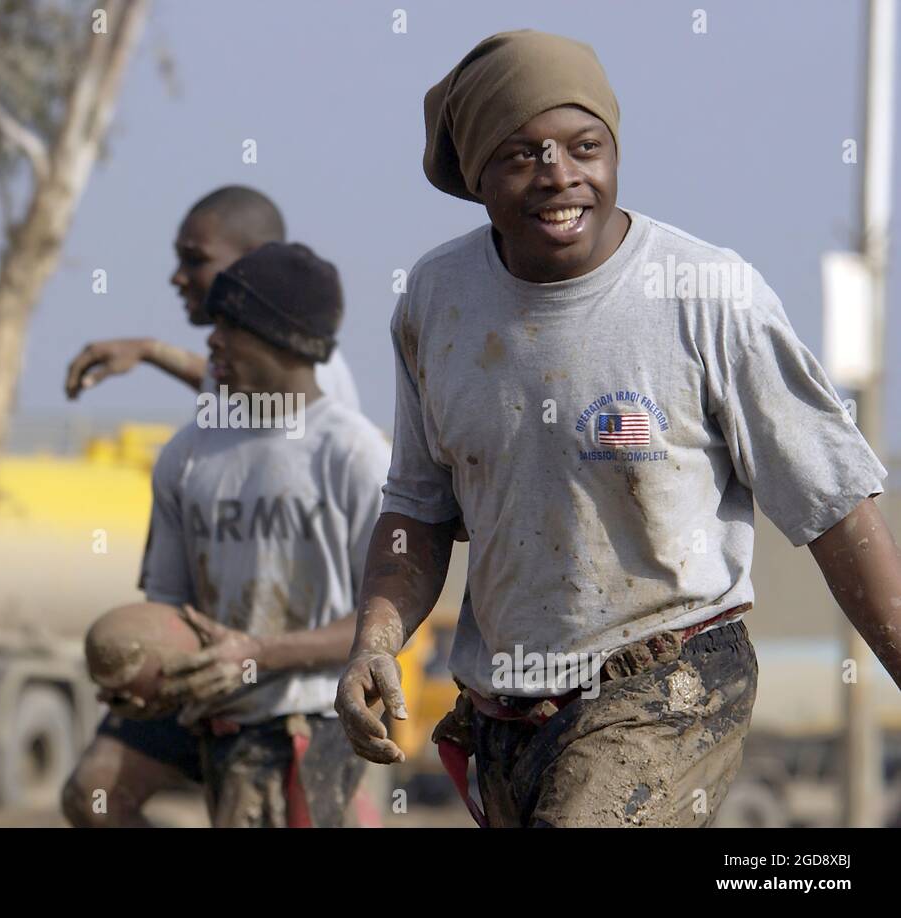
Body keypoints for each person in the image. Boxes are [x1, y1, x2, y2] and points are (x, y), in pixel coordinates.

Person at [335, 29, 901, 827]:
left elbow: (837, 507)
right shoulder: (437, 300)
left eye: (584, 146)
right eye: (521, 154)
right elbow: (418, 510)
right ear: (477, 176)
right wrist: (375, 641)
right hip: (504, 704)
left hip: (668, 676)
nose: (558, 174)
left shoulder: (708, 295)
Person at [66, 243, 388, 827]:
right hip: (219, 722)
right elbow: (169, 608)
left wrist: (260, 654)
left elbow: (390, 626)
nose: (212, 340)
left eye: (230, 325)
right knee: (91, 795)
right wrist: (147, 673)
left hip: (315, 726)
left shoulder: (354, 454)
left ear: (285, 338)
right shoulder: (187, 455)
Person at [63, 185, 361, 412]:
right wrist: (147, 350)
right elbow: (217, 382)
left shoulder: (307, 368)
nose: (177, 277)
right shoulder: (253, 365)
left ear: (257, 258)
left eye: (195, 259)